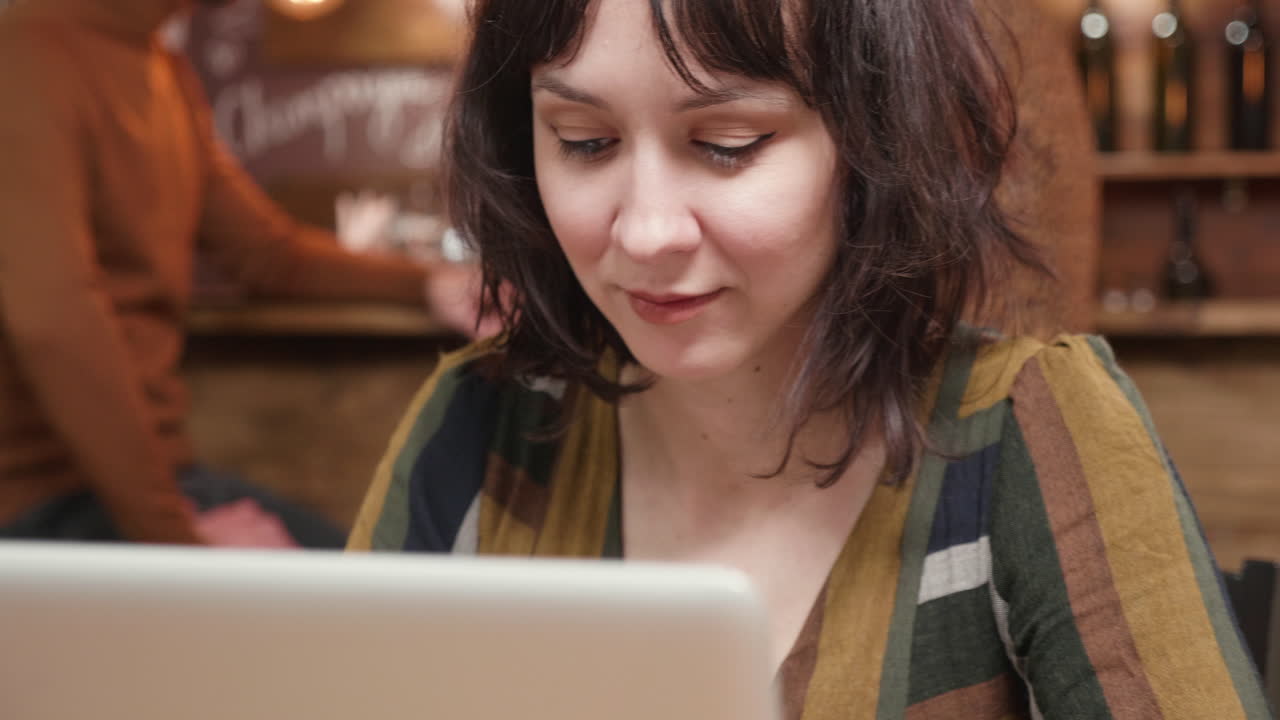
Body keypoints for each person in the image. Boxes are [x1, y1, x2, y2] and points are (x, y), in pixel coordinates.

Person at [348, 0, 1274, 717]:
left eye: (727, 146)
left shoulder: (1030, 438)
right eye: (584, 143)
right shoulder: (476, 426)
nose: (645, 230)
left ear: (874, 142)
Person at [0, 0, 494, 548]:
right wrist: (177, 543)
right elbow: (53, 320)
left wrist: (426, 282)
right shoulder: (23, 54)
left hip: (159, 484)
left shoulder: (160, 69)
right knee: (365, 604)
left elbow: (267, 255)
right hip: (42, 504)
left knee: (381, 579)